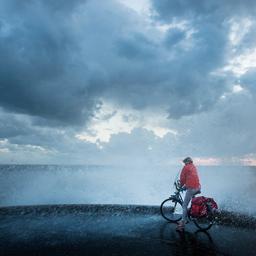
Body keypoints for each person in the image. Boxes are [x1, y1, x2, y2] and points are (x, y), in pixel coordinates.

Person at [176, 157, 201, 231]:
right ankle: (190, 214)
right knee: (191, 200)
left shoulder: (186, 167)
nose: (184, 163)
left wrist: (180, 186)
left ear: (186, 162)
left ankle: (182, 224)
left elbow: (182, 178)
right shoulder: (193, 166)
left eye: (184, 162)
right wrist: (185, 186)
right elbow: (191, 178)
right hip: (198, 187)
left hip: (192, 188)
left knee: (184, 205)